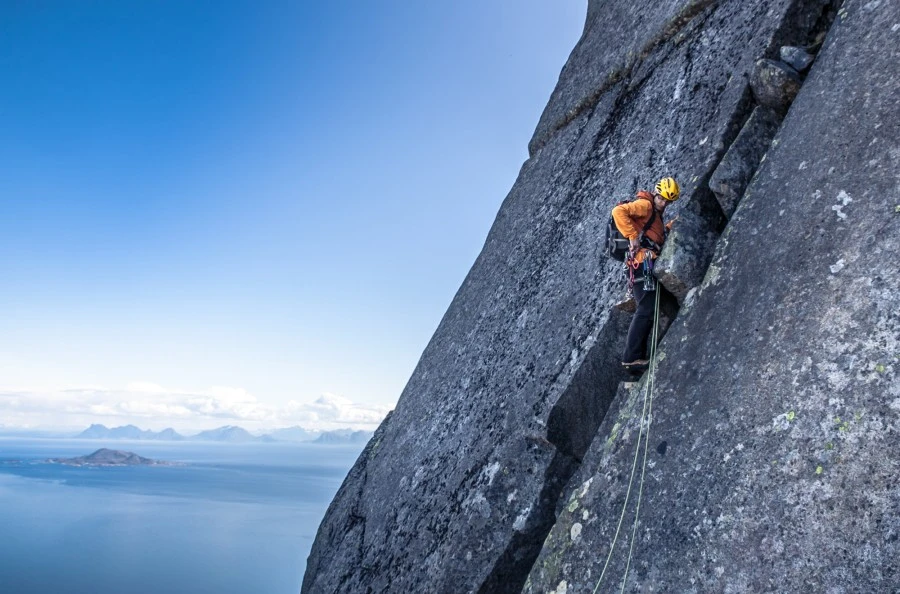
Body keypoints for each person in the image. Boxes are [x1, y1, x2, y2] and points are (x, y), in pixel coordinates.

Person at [611, 177, 680, 372]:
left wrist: (669, 227)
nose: (664, 203)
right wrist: (632, 237)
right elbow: (618, 211)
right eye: (662, 199)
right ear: (656, 194)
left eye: (668, 201)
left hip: (645, 264)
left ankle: (636, 357)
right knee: (646, 308)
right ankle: (631, 358)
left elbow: (654, 238)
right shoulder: (645, 206)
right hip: (641, 264)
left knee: (649, 308)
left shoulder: (655, 214)